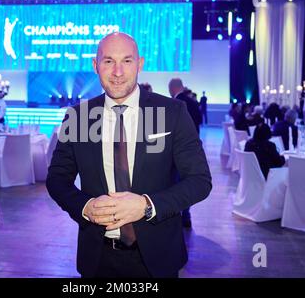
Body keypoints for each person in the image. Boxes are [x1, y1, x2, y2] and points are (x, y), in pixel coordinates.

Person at [46, 32, 212, 278]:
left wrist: (147, 206)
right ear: (95, 65)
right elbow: (57, 179)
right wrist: (86, 207)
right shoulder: (78, 117)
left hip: (158, 257)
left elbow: (200, 181)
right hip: (98, 258)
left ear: (140, 63)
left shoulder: (172, 112)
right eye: (108, 61)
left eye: (126, 60)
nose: (117, 72)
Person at [168, 78, 203, 228]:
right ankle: (186, 215)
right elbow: (200, 121)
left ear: (171, 89)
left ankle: (174, 215)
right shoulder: (193, 102)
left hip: (176, 150)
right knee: (187, 181)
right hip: (192, 149)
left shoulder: (174, 105)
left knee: (175, 181)